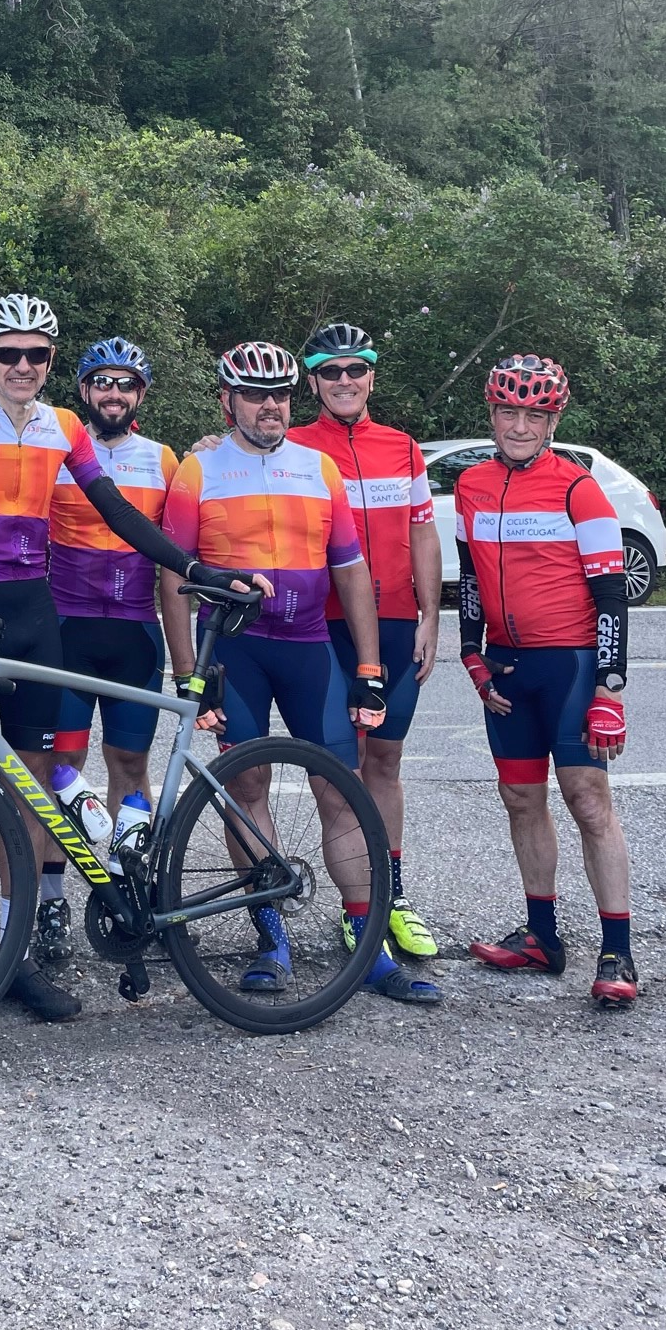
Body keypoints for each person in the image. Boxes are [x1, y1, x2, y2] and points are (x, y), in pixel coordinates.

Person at [0, 295, 239, 1024]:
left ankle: (15, 959)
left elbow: (117, 511)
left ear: (51, 361)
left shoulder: (63, 425)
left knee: (31, 796)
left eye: (36, 354)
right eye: (8, 353)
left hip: (35, 618)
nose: (22, 366)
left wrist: (192, 568)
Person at [165, 340, 440, 1006]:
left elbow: (350, 569)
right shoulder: (198, 470)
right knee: (245, 787)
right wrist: (186, 675)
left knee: (340, 789)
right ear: (227, 400)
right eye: (255, 395)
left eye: (280, 395)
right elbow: (172, 577)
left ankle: (368, 944)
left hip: (309, 646)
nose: (270, 406)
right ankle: (270, 939)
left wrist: (368, 666)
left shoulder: (319, 468)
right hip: (235, 651)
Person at [454, 353, 636, 1009]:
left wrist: (610, 689)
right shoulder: (471, 485)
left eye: (534, 415)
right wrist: (470, 654)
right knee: (521, 799)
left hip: (571, 667)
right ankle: (541, 937)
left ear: (553, 421)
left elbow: (612, 596)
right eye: (509, 411)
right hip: (507, 667)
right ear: (492, 413)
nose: (520, 426)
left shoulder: (577, 488)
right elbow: (469, 579)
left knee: (588, 801)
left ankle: (617, 950)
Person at [289, 321, 443, 961]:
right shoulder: (295, 445)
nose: (344, 380)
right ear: (314, 383)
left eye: (356, 369)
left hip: (399, 622)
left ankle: (393, 897)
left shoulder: (402, 448)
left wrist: (432, 615)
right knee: (339, 769)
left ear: (371, 377)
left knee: (384, 762)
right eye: (330, 371)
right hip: (325, 625)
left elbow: (423, 533)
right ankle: (358, 908)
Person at [37, 336, 178, 966]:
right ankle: (51, 901)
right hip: (66, 632)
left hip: (135, 634)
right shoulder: (58, 451)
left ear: (140, 394)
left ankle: (130, 894)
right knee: (56, 767)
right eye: (102, 382)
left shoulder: (165, 459)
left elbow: (178, 548)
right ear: (84, 391)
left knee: (130, 763)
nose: (113, 394)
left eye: (125, 383)